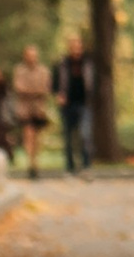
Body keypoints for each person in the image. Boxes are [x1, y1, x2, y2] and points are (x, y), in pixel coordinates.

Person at [52, 31, 95, 172]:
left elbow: (94, 82)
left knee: (85, 134)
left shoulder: (88, 62)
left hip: (84, 103)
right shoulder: (63, 63)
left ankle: (86, 165)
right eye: (73, 46)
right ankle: (70, 167)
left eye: (78, 46)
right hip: (67, 104)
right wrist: (59, 95)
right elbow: (55, 83)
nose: (76, 48)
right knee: (68, 137)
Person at [10, 42, 54, 175]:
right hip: (25, 109)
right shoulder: (19, 70)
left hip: (39, 109)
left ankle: (35, 161)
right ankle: (31, 163)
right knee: (28, 134)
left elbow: (45, 88)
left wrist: (32, 91)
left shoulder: (43, 71)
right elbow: (18, 88)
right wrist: (34, 91)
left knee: (37, 137)